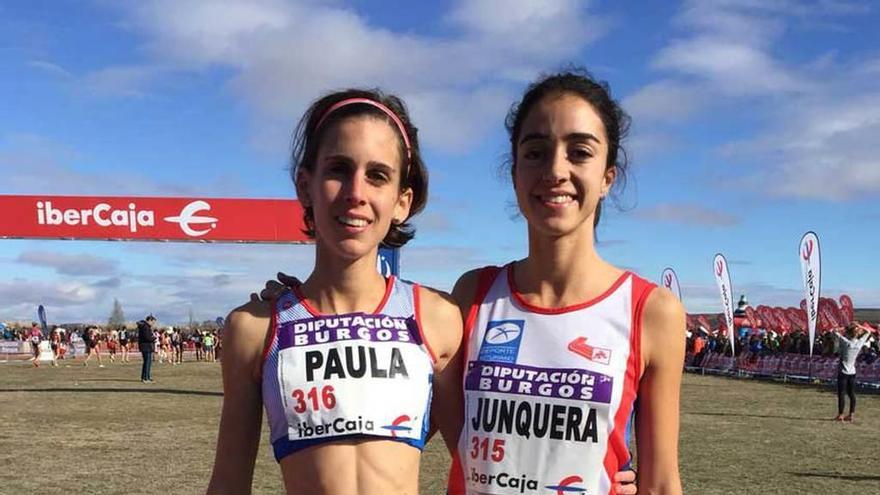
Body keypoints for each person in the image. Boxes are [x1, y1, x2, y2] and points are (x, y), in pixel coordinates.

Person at [249, 85, 639, 494]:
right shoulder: (258, 326)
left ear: (403, 200)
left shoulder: (441, 315)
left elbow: (483, 452)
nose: (356, 193)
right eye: (338, 170)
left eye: (377, 175)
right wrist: (289, 313)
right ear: (304, 185)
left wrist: (609, 477)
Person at [832, 322, 872, 422]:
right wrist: (859, 325)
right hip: (852, 371)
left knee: (841, 393)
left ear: (849, 334)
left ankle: (841, 414)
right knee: (851, 394)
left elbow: (834, 331)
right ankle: (851, 414)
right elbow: (869, 331)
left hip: (843, 371)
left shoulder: (846, 342)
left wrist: (844, 327)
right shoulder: (859, 343)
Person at [138, 315, 157, 383]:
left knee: (146, 363)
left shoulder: (144, 327)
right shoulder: (145, 327)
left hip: (145, 347)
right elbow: (147, 337)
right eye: (153, 322)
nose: (153, 324)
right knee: (147, 363)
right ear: (149, 320)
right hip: (146, 347)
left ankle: (146, 377)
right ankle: (146, 378)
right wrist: (154, 338)